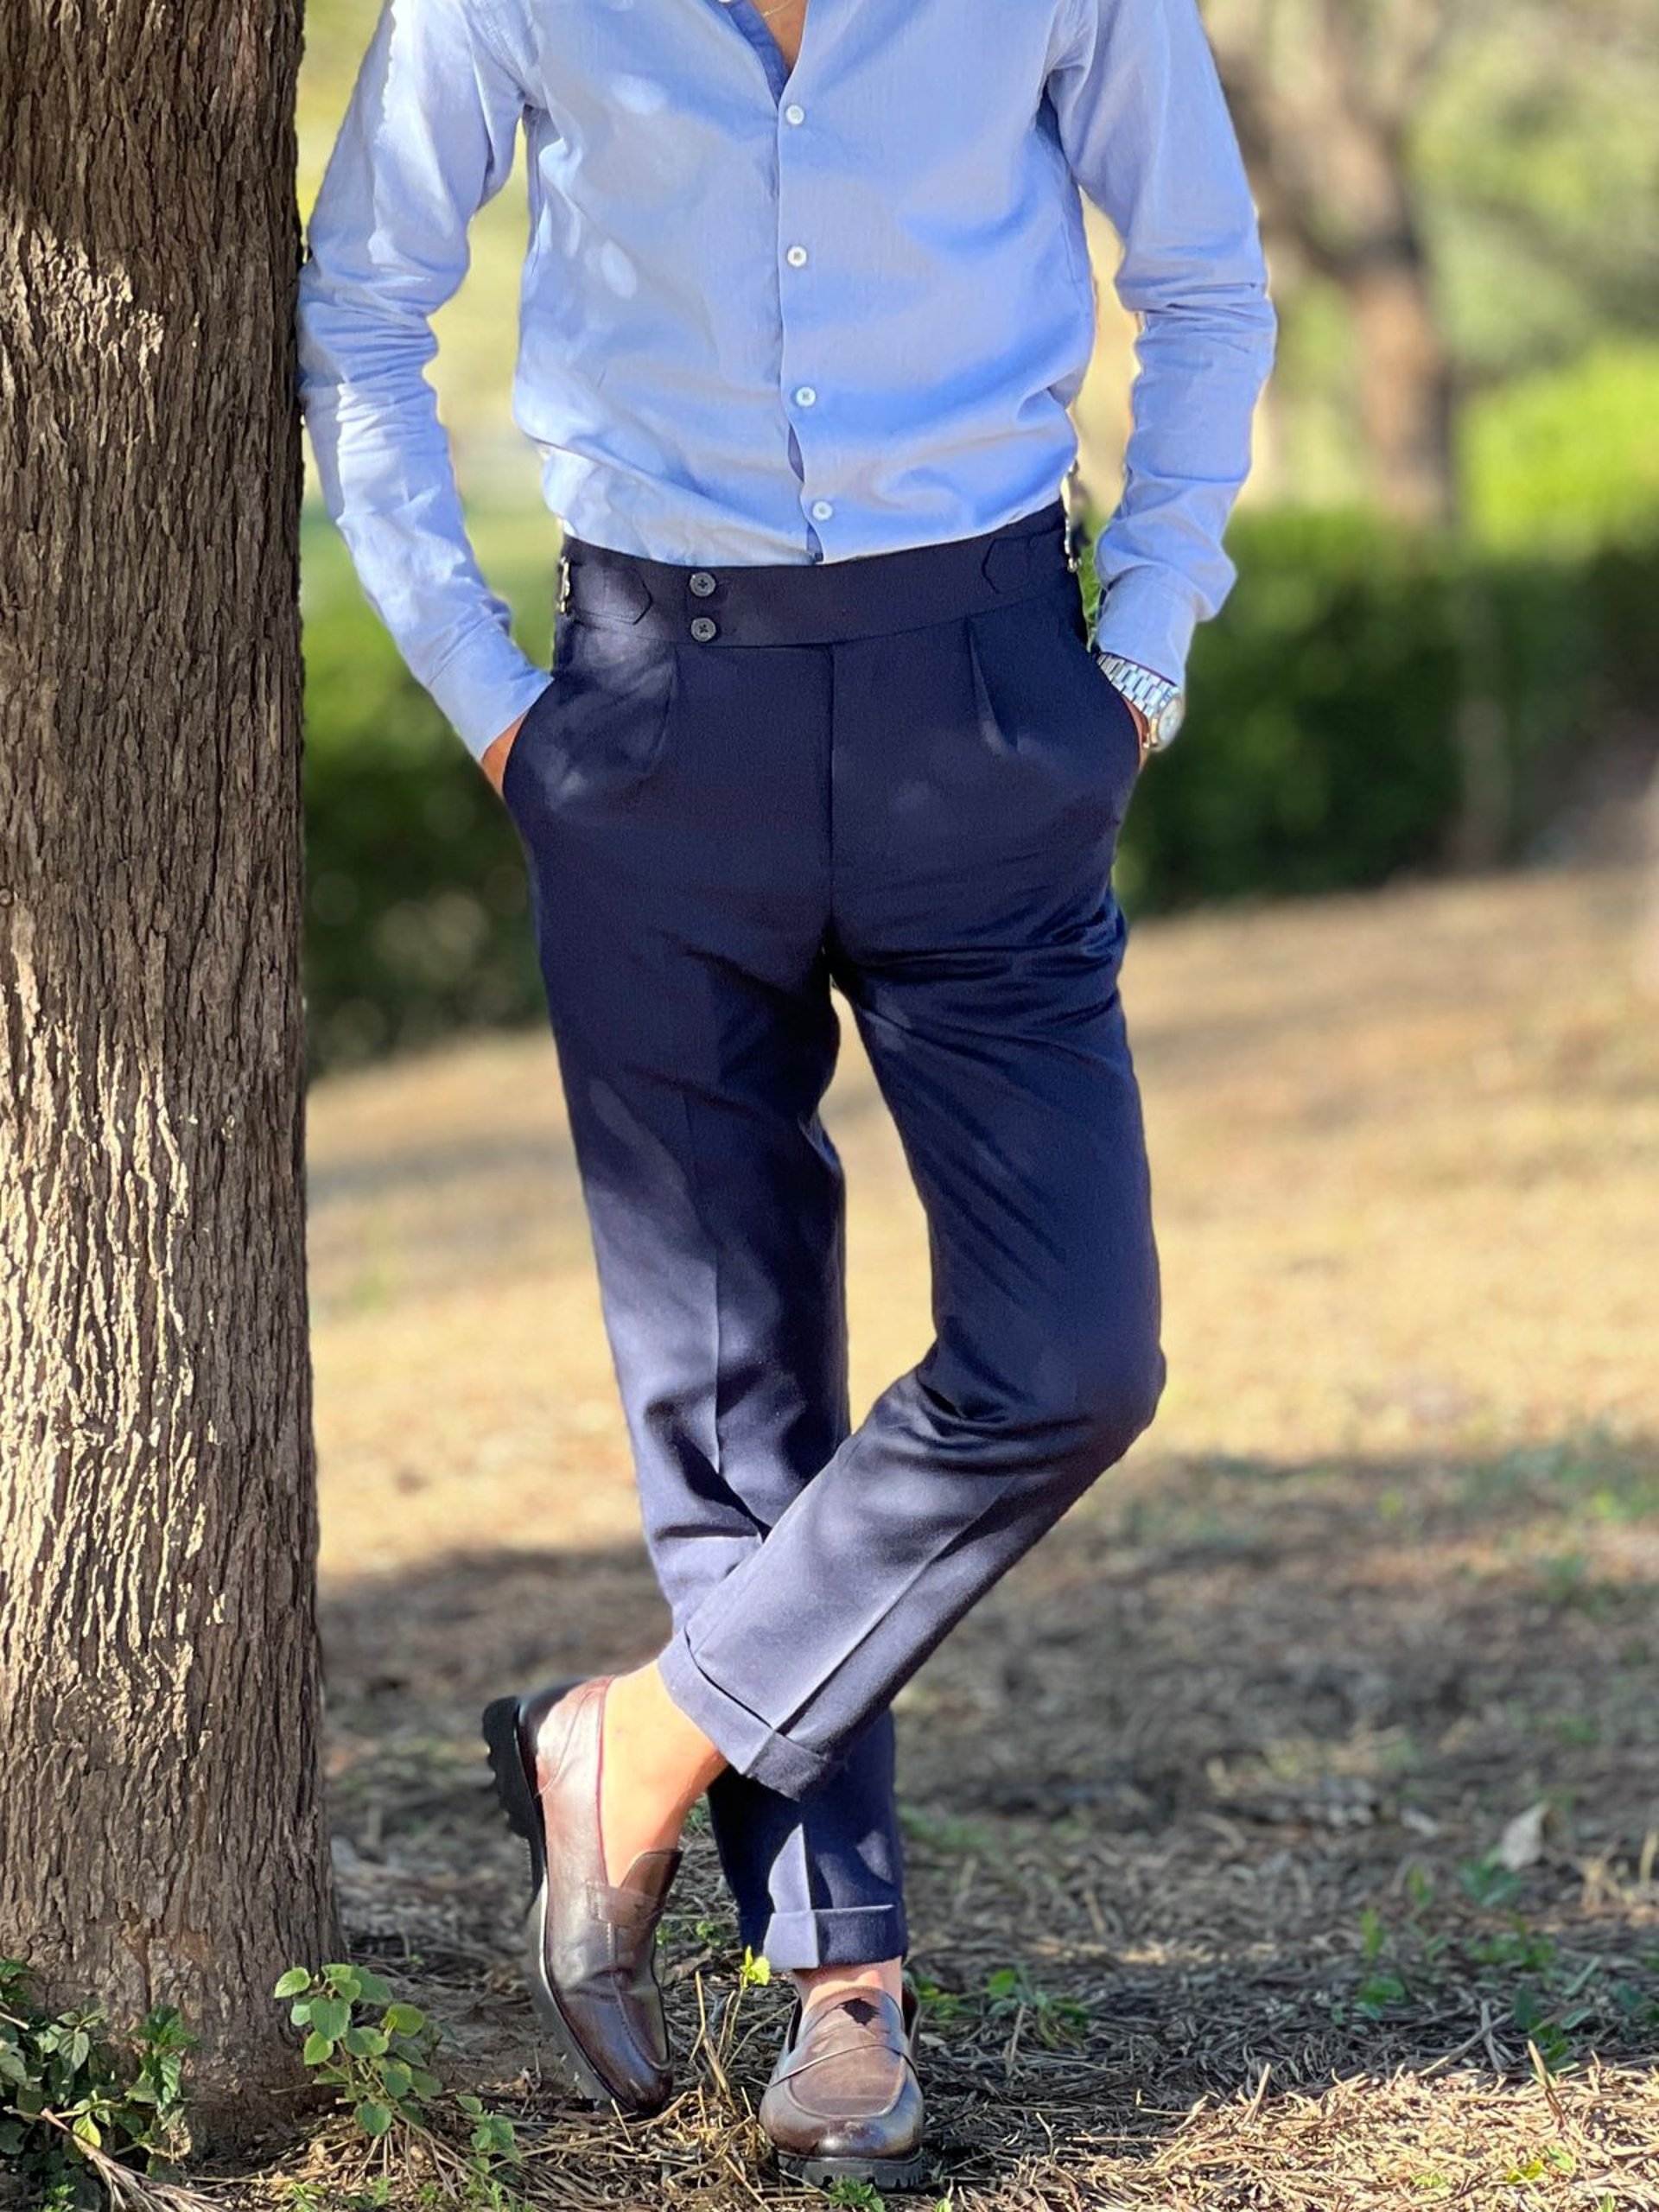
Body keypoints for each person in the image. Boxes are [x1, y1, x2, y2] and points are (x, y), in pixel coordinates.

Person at [296, 0, 1274, 2185]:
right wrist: (492, 703)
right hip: (654, 717)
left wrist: (1142, 654)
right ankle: (845, 2004)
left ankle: (631, 1739)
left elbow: (1203, 280)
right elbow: (361, 307)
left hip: (995, 691)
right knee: (730, 1377)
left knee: (1071, 1353)